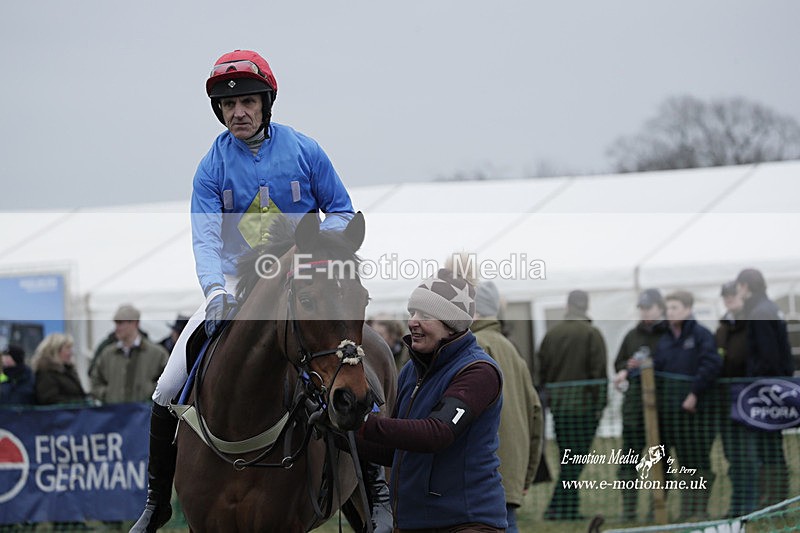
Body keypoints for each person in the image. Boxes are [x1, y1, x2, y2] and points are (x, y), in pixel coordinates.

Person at [130, 49, 357, 532]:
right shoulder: (211, 167)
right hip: (236, 283)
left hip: (302, 277)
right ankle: (156, 504)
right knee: (167, 386)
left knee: (353, 370)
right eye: (228, 106)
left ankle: (375, 489)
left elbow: (341, 209)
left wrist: (316, 247)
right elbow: (205, 237)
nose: (238, 113)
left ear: (265, 103)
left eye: (248, 102)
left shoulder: (305, 150)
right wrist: (214, 292)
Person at [356, 268, 507, 532]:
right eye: (412, 312)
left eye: (425, 315)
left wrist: (364, 423)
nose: (412, 321)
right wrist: (341, 432)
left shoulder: (478, 371)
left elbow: (437, 433)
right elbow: (396, 451)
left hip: (465, 524)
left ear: (452, 324)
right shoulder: (411, 372)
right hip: (413, 523)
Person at [471, 280, 543, 533]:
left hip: (483, 472)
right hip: (510, 472)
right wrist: (527, 474)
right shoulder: (512, 350)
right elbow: (536, 414)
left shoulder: (474, 347)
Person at [537, 289, 608, 521]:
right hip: (584, 409)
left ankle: (567, 510)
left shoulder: (551, 334)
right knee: (573, 463)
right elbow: (599, 374)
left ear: (568, 306)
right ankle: (557, 509)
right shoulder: (592, 334)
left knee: (568, 459)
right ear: (585, 306)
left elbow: (541, 372)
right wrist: (600, 406)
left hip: (559, 408)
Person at [653, 290, 721, 521]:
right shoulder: (665, 340)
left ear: (688, 308)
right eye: (668, 308)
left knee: (698, 459)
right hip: (672, 413)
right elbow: (658, 368)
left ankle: (700, 508)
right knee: (682, 461)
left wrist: (694, 393)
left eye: (675, 307)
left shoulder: (702, 335)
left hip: (698, 411)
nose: (670, 312)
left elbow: (711, 364)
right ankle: (687, 509)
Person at [735, 268, 794, 507]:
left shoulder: (759, 312)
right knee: (771, 445)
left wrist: (757, 381)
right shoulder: (769, 308)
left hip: (765, 389)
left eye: (739, 286)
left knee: (767, 447)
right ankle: (774, 496)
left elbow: (768, 353)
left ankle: (774, 498)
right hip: (774, 385)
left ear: (746, 286)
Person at [612, 288, 668, 521]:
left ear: (660, 308)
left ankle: (658, 509)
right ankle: (629, 510)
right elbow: (618, 364)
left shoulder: (670, 334)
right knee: (628, 460)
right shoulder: (632, 335)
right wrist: (628, 366)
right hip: (634, 408)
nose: (645, 312)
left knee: (661, 460)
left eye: (649, 307)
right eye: (642, 308)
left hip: (662, 408)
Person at [714, 281, 757, 517]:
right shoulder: (722, 330)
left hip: (748, 399)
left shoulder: (752, 325)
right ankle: (736, 504)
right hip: (725, 401)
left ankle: (751, 504)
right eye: (725, 296)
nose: (729, 299)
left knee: (748, 456)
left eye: (732, 295)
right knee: (733, 456)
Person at [90, 304, 169, 404]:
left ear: (135, 323)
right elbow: (95, 379)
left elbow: (167, 383)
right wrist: (107, 394)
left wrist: (150, 393)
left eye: (120, 323)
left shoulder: (157, 354)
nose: (117, 328)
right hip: (115, 415)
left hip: (145, 415)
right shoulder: (107, 354)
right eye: (116, 323)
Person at [31, 333, 91, 405]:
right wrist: (79, 402)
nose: (71, 353)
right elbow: (50, 400)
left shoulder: (68, 372)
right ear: (55, 350)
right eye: (67, 348)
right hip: (60, 415)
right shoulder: (45, 374)